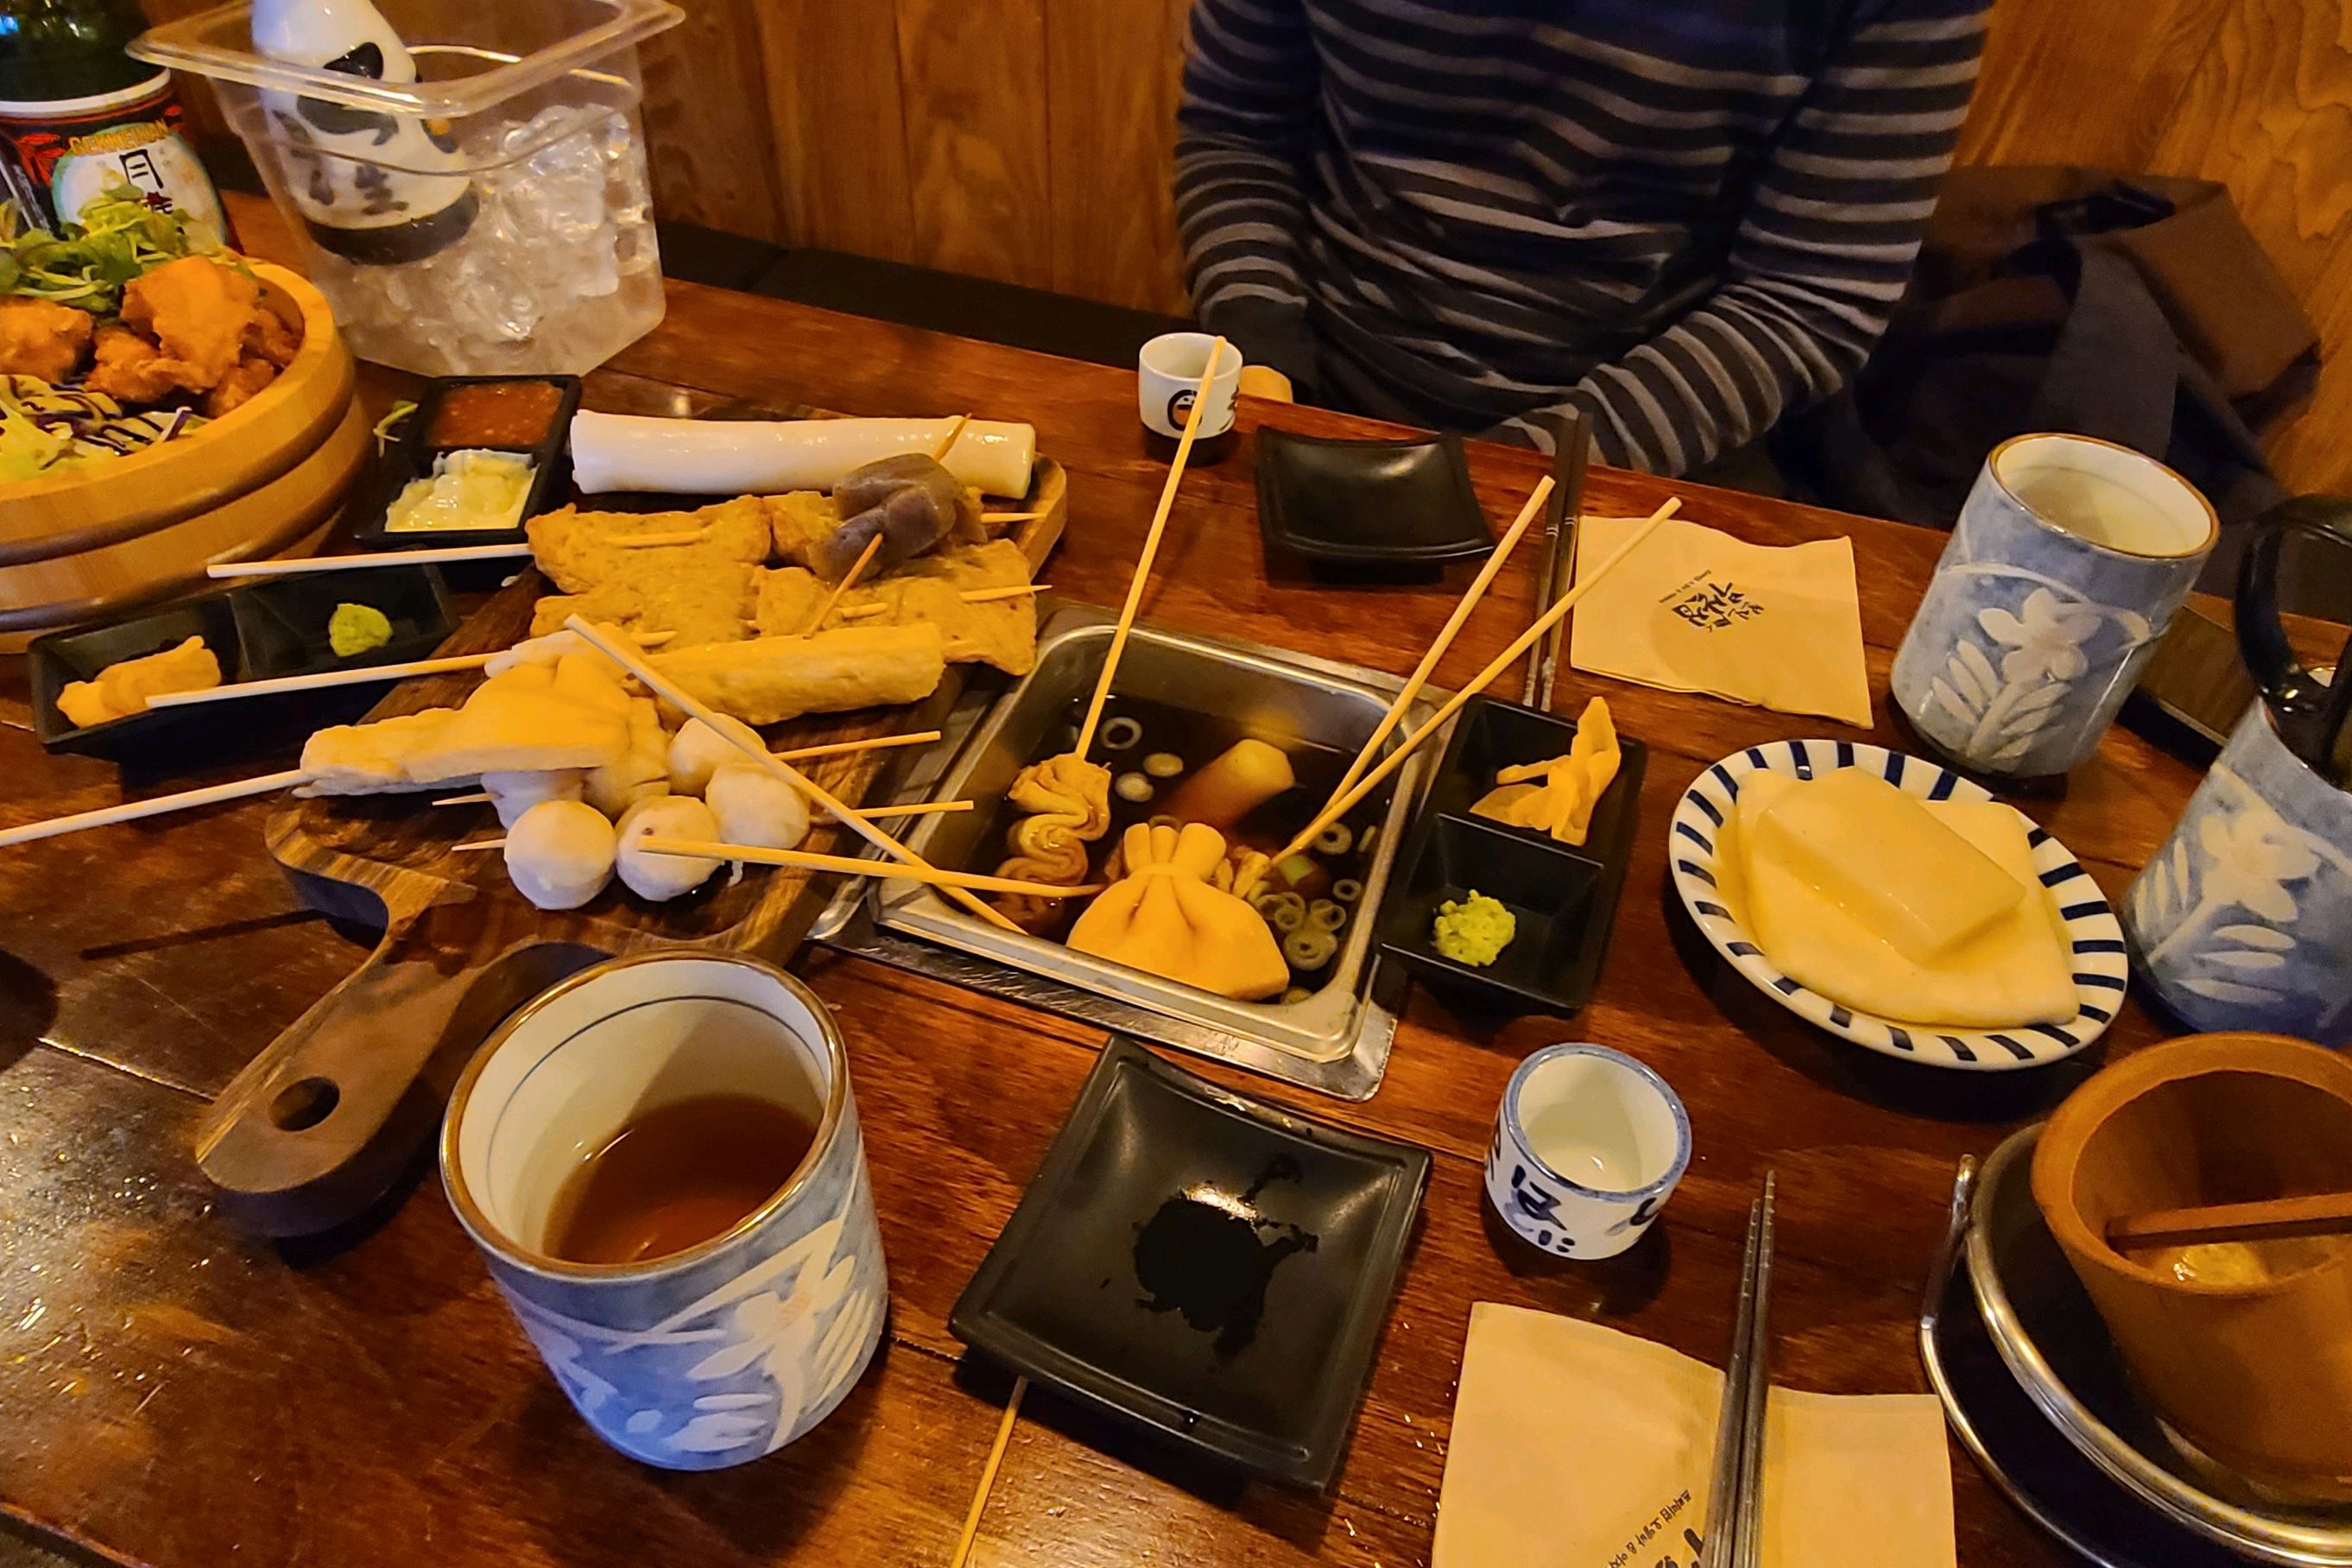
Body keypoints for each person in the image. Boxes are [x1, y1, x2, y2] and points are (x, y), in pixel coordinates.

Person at [1174, 0, 1992, 477]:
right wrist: (1260, 349)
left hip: (1633, 447)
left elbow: (1812, 295)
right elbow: (1239, 129)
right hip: (1309, 385)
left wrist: (1520, 471)